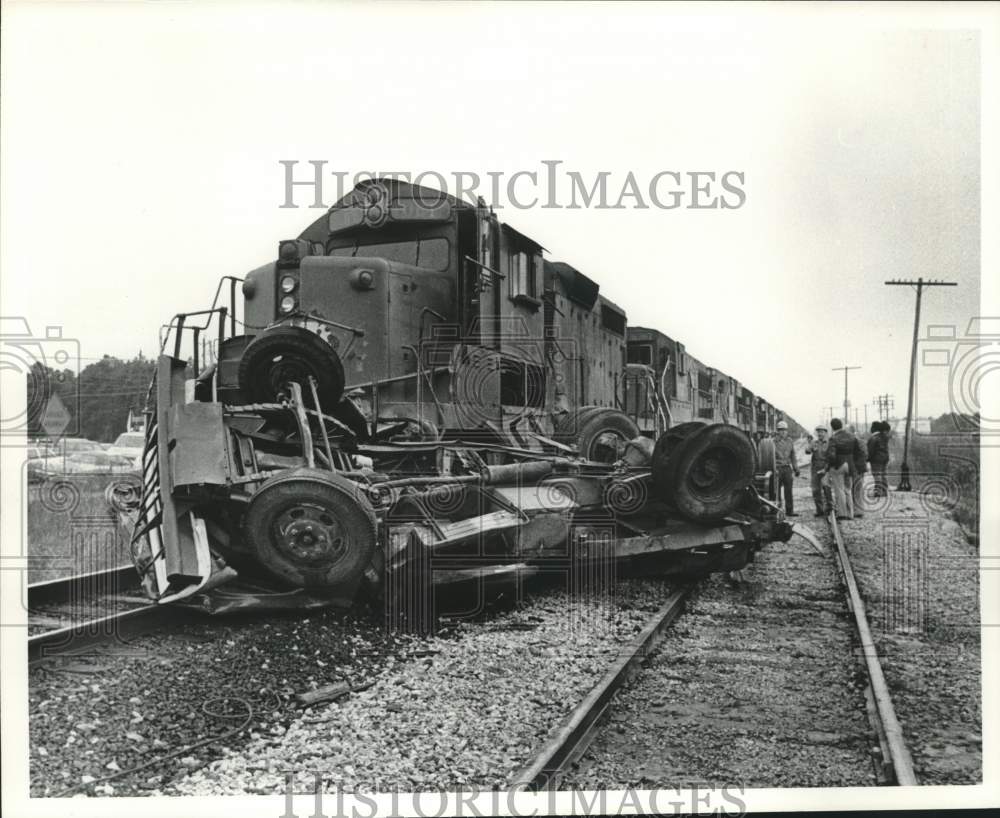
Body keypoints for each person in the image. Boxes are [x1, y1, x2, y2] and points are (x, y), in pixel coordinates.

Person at [825, 418, 857, 520]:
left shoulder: (833, 438)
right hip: (850, 466)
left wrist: (831, 466)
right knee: (848, 489)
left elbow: (831, 455)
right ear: (841, 425)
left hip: (839, 466)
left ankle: (842, 514)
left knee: (839, 490)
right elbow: (857, 451)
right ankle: (850, 514)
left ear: (832, 427)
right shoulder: (852, 437)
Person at [773, 420, 800, 516]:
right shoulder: (773, 442)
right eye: (781, 430)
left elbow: (793, 456)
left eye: (785, 430)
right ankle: (778, 511)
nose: (783, 432)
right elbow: (770, 456)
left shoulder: (790, 441)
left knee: (788, 490)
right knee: (777, 492)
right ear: (777, 431)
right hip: (777, 469)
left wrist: (796, 468)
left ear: (787, 431)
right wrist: (774, 469)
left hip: (787, 469)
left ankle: (790, 511)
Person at [804, 424, 832, 516]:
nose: (820, 433)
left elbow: (831, 457)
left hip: (825, 467)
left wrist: (826, 468)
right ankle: (819, 510)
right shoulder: (814, 442)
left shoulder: (829, 443)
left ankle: (830, 508)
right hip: (815, 468)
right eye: (818, 432)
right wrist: (809, 444)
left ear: (825, 433)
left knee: (826, 488)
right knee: (816, 490)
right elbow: (807, 451)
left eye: (822, 432)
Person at [867, 420, 891, 499]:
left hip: (876, 459)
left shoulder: (874, 438)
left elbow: (871, 450)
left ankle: (878, 491)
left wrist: (868, 458)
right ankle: (884, 491)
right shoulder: (884, 437)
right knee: (883, 474)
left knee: (877, 475)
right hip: (885, 457)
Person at [849, 424, 867, 517]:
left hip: (856, 468)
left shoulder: (852, 442)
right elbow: (865, 455)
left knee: (854, 489)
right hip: (861, 468)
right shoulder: (862, 441)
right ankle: (859, 510)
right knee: (858, 489)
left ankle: (857, 511)